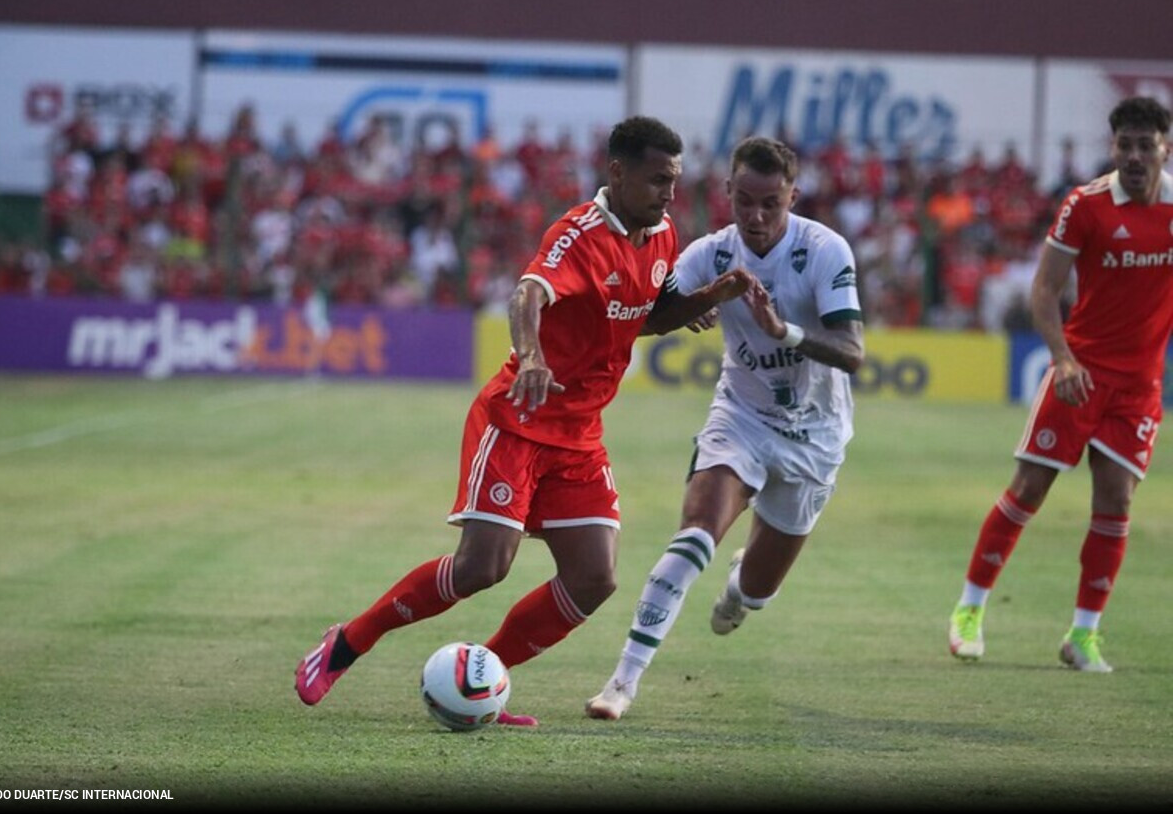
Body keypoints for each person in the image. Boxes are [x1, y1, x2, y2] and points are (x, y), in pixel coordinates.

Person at [294, 115, 752, 725]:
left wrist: (703, 301)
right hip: (518, 419)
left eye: (673, 180)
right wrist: (532, 356)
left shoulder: (662, 234)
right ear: (617, 172)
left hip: (580, 434)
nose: (669, 193)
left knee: (593, 578)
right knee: (483, 567)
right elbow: (527, 294)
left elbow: (642, 314)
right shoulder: (577, 232)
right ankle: (348, 642)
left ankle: (479, 678)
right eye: (656, 179)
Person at [584, 136, 865, 720]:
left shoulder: (824, 250)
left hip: (815, 435)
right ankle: (622, 684)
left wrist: (781, 330)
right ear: (728, 194)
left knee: (757, 593)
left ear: (792, 195)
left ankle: (743, 585)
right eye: (745, 202)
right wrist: (700, 302)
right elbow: (649, 317)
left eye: (771, 204)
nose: (757, 217)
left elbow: (851, 352)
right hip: (741, 416)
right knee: (693, 536)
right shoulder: (710, 254)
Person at [948, 96, 1173, 673]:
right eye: (1125, 145)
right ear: (1113, 147)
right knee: (1029, 487)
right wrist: (1063, 359)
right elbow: (1045, 289)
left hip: (1140, 385)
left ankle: (1083, 635)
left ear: (1164, 149)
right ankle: (969, 610)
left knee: (1116, 499)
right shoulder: (1087, 205)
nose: (1135, 156)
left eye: (1146, 145)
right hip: (1081, 372)